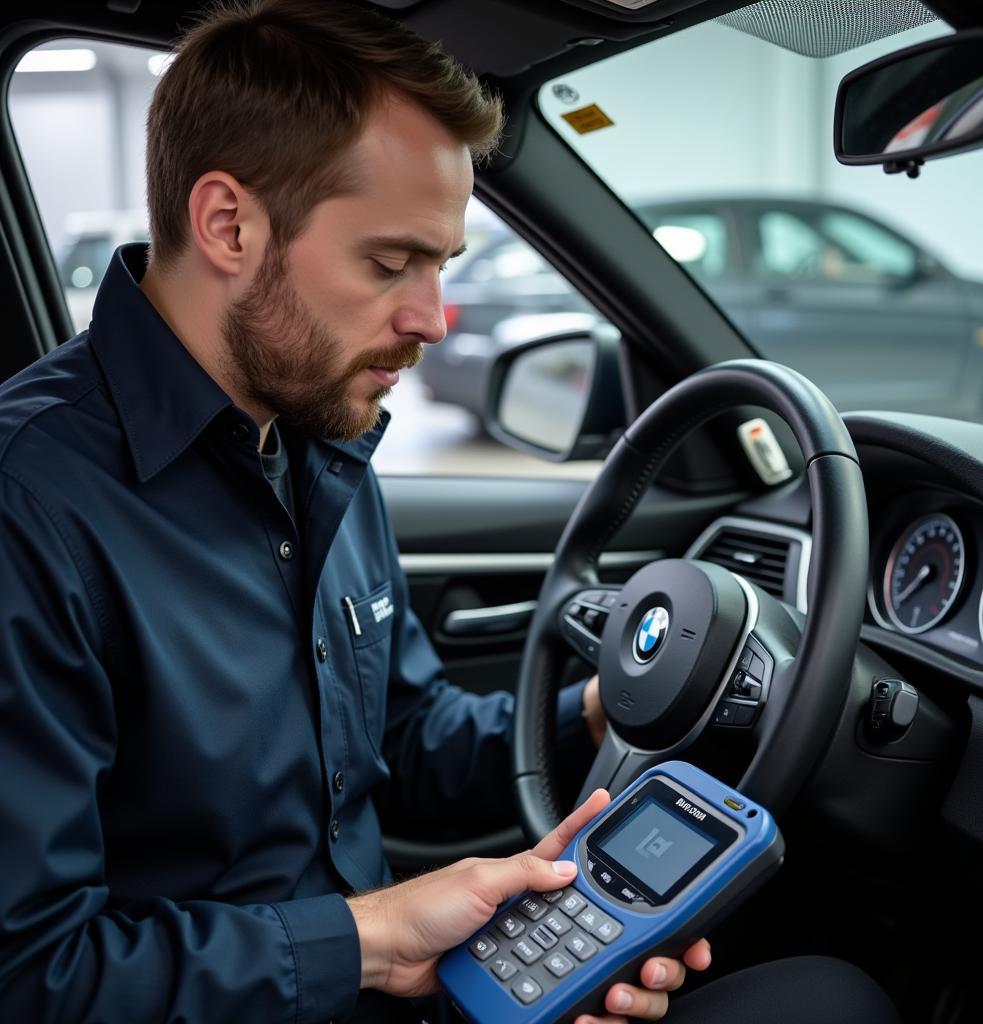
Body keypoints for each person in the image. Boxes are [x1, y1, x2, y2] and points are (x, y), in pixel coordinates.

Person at [0, 2, 903, 1022]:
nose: (433, 320)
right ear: (229, 225)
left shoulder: (314, 438)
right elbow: (31, 971)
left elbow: (399, 737)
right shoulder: (28, 506)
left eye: (443, 266)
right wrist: (373, 942)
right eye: (390, 264)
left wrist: (600, 710)